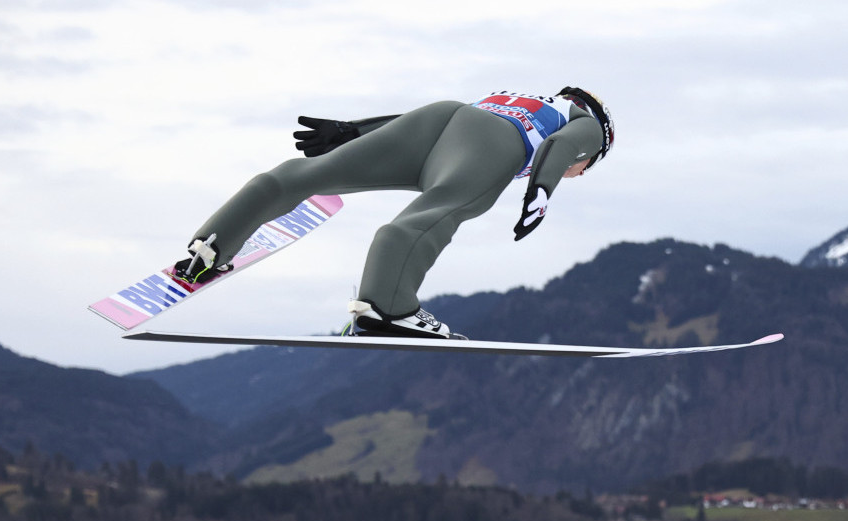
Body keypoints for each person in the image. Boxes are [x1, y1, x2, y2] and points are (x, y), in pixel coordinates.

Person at [178, 87, 615, 340]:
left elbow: (416, 124)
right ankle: (387, 307)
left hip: (446, 117)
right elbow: (559, 150)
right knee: (444, 207)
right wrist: (541, 190)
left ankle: (214, 241)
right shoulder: (589, 125)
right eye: (588, 168)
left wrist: (352, 132)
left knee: (314, 174)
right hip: (496, 141)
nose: (581, 172)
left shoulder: (525, 96)